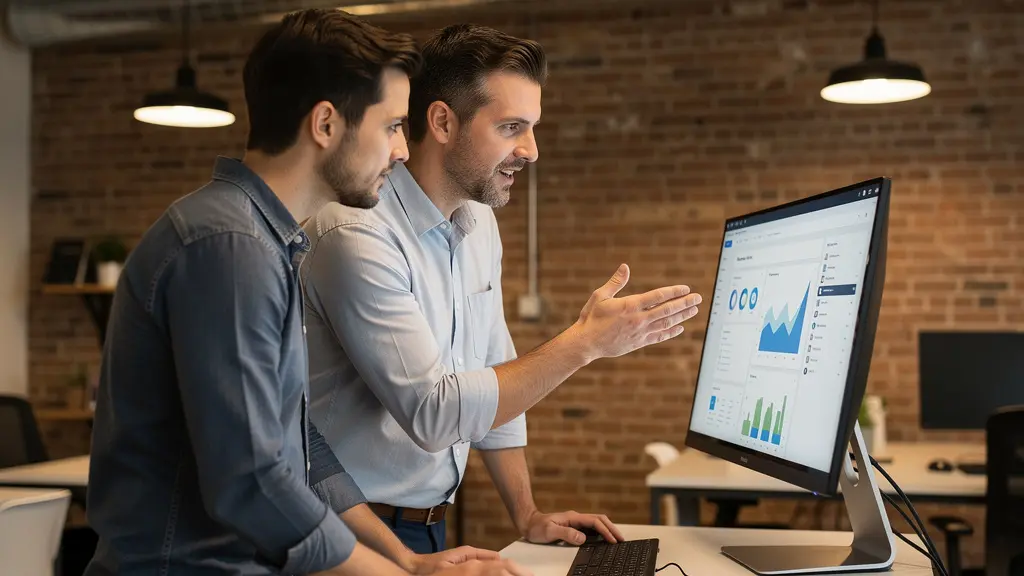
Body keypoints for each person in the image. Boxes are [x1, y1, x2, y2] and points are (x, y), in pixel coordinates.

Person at [84, 10, 528, 576]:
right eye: (392, 126)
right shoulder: (229, 247)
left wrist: (406, 561)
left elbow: (300, 445)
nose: (403, 151)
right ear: (325, 125)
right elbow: (250, 483)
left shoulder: (270, 243)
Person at [299, 24, 703, 554]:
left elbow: (494, 366)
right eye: (512, 127)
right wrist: (583, 343)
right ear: (443, 121)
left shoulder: (477, 223)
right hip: (343, 533)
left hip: (427, 525)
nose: (531, 150)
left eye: (532, 127)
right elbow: (435, 412)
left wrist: (527, 514)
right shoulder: (355, 232)